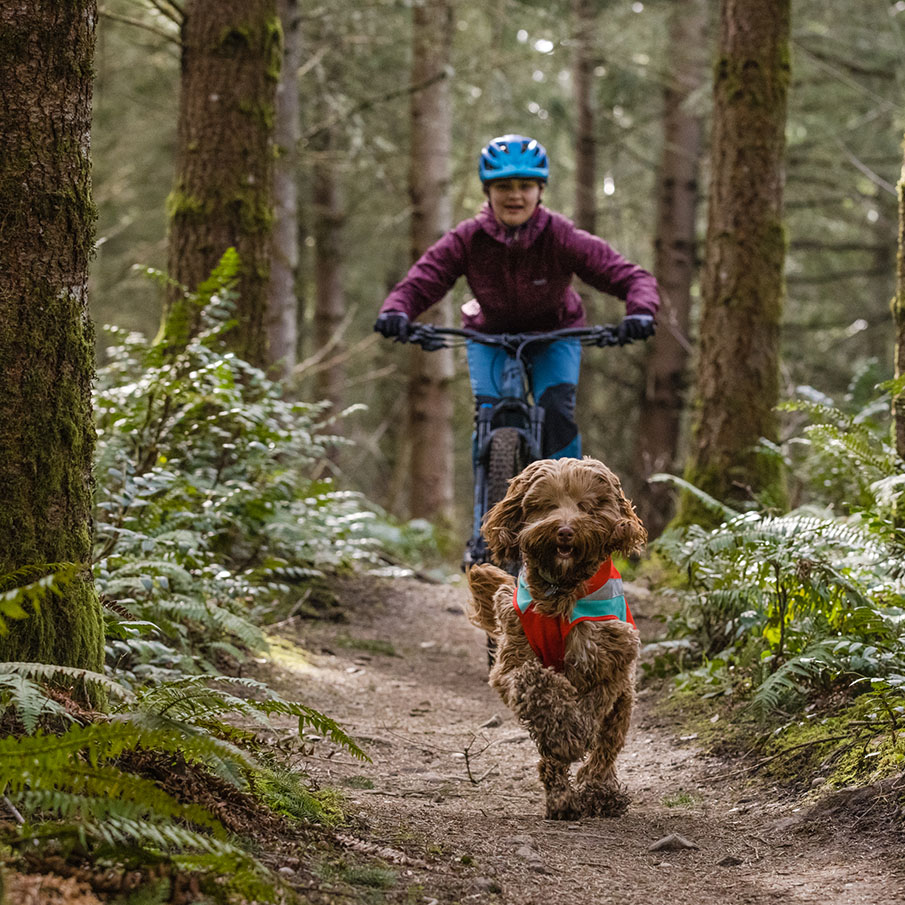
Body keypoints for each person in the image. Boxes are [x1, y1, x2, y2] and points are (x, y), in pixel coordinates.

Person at [374, 133, 660, 460]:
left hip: (555, 334)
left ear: (540, 191)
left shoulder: (560, 236)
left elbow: (628, 275)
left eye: (525, 186)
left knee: (556, 415)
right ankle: (488, 504)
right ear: (488, 191)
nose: (515, 196)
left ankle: (571, 502)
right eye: (503, 186)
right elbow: (425, 278)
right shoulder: (468, 239)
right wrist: (396, 311)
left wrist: (640, 313)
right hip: (489, 336)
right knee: (490, 417)